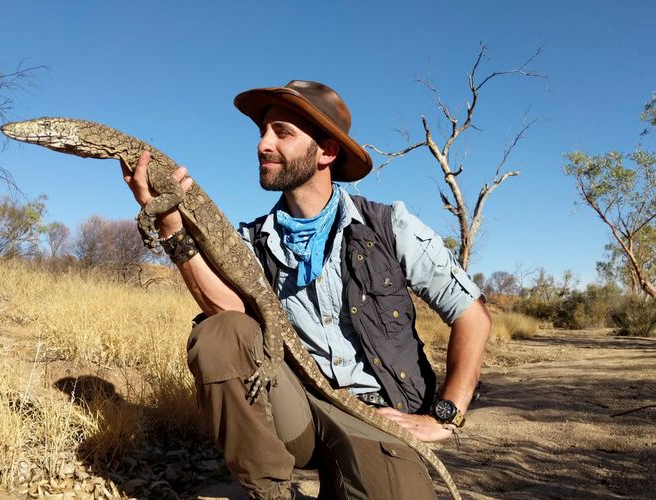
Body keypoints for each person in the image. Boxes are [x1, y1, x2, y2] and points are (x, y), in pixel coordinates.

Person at [121, 80, 491, 500]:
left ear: (327, 153)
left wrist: (445, 416)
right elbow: (229, 311)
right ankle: (271, 490)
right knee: (219, 332)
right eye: (262, 132)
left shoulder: (390, 225)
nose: (262, 144)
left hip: (376, 413)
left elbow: (471, 315)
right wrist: (172, 229)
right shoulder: (252, 241)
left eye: (282, 132)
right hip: (297, 406)